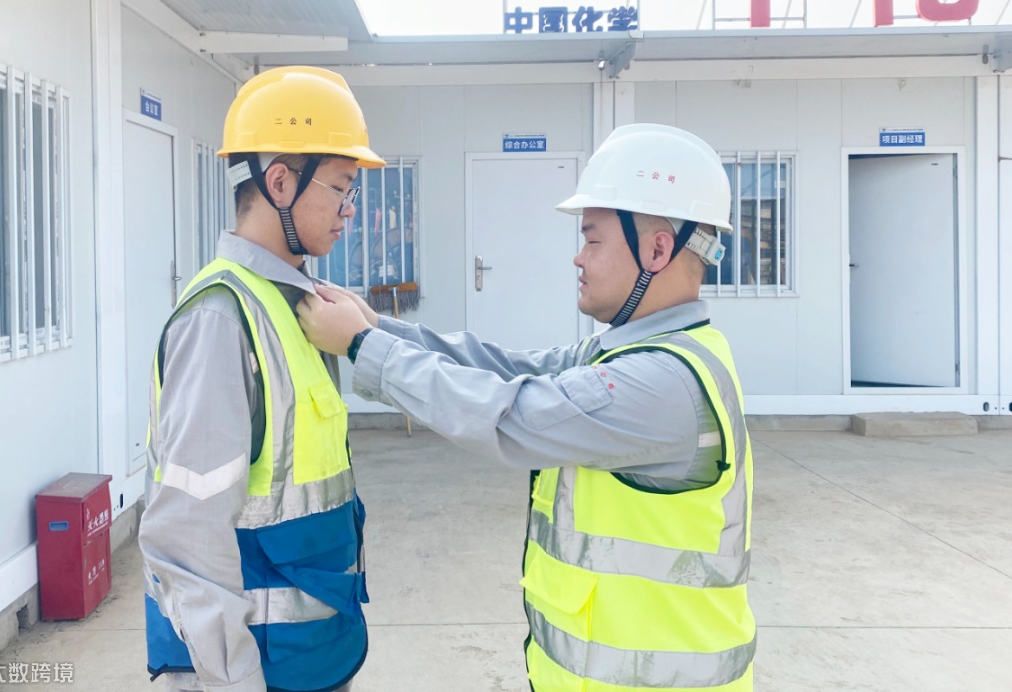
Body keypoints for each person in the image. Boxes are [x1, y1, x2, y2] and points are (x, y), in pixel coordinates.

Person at [298, 123, 756, 692]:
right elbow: (506, 367)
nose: (578, 258)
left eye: (593, 240)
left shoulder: (661, 384)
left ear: (658, 249)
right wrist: (379, 328)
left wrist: (362, 347)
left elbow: (509, 415)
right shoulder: (639, 353)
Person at [139, 66, 385, 692]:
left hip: (309, 655)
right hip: (253, 670)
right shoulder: (221, 318)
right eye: (341, 188)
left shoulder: (294, 304)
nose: (350, 209)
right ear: (280, 182)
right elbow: (187, 536)